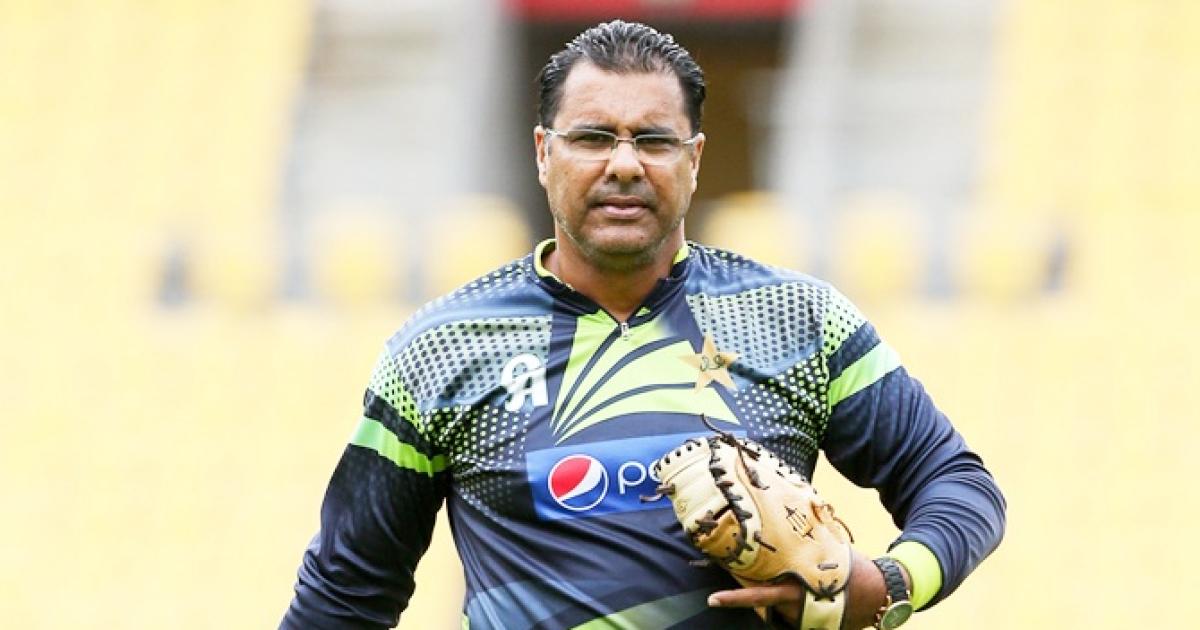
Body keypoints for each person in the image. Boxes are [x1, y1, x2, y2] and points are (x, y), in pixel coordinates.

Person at [281, 20, 1005, 630]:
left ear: (694, 159)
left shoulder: (798, 321)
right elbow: (346, 596)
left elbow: (955, 483)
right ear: (544, 153)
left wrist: (890, 582)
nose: (624, 164)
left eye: (653, 140)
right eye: (593, 137)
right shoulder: (440, 350)